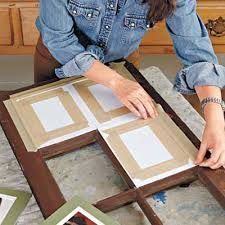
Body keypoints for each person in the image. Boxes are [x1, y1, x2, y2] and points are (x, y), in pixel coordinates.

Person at [35, 0, 225, 169]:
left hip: (121, 64)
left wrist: (215, 119)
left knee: (110, 154)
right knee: (56, 148)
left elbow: (196, 53)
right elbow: (59, 41)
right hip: (62, 63)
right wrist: (116, 83)